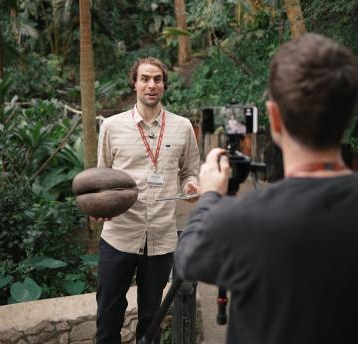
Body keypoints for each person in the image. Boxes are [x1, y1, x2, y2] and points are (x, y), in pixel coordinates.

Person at [174, 33, 358, 344]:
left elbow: (188, 258)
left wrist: (210, 196)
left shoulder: (239, 222)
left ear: (274, 118)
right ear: (349, 113)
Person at [95, 57, 200, 344]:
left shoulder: (182, 127)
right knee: (107, 318)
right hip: (119, 236)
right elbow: (101, 177)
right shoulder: (112, 127)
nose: (151, 85)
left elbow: (191, 171)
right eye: (145, 79)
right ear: (134, 83)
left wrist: (191, 184)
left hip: (161, 240)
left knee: (151, 322)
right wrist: (100, 206)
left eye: (157, 79)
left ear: (164, 84)